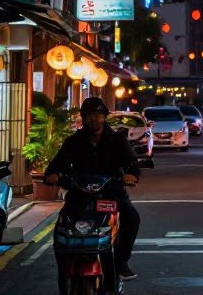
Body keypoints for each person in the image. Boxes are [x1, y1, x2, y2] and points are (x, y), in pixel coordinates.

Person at [44, 97, 141, 292]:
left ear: (104, 117)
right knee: (62, 225)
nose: (93, 119)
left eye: (98, 115)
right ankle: (64, 268)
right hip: (79, 195)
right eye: (89, 115)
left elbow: (132, 162)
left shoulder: (117, 140)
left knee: (132, 217)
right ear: (83, 118)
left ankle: (121, 261)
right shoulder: (74, 141)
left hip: (110, 194)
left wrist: (131, 174)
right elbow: (58, 162)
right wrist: (53, 174)